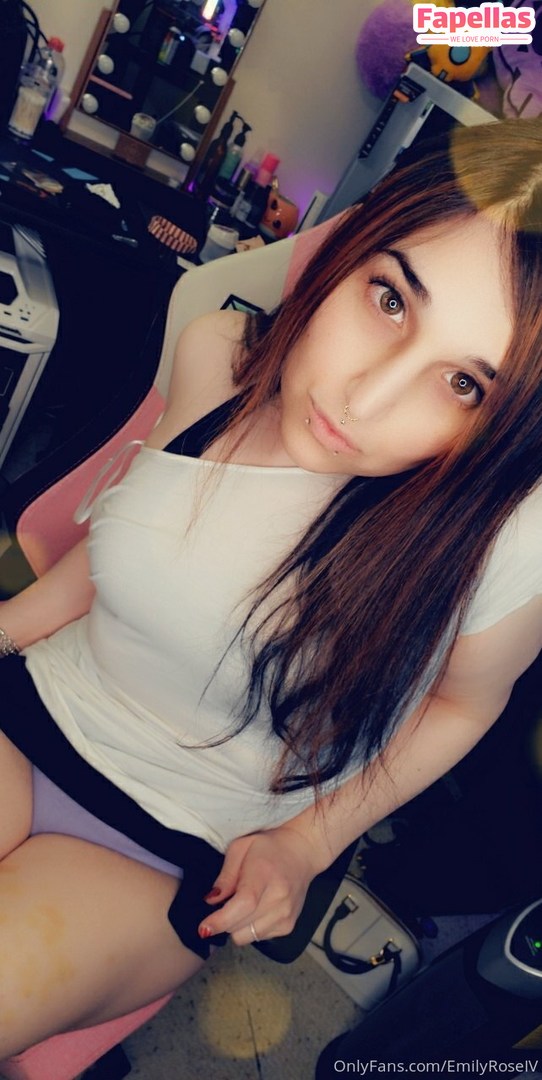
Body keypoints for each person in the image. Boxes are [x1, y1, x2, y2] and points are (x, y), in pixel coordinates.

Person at [0, 116, 540, 1058]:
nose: (364, 399)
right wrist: (9, 623)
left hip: (167, 845)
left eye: (464, 385)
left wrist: (308, 844)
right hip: (35, 707)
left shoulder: (504, 544)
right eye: (389, 298)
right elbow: (138, 538)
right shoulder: (215, 355)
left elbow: (463, 703)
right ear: (349, 253)